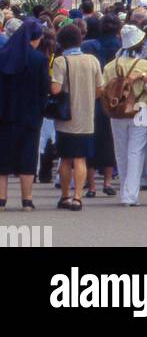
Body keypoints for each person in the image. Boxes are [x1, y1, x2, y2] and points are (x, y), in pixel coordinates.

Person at [50, 21, 104, 212]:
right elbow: (100, 90)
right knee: (81, 158)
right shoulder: (92, 60)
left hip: (66, 118)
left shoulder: (60, 61)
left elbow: (55, 89)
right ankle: (78, 197)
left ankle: (65, 195)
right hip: (86, 117)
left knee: (65, 159)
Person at [101, 23, 147, 205]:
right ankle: (130, 194)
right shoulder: (144, 65)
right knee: (136, 152)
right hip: (140, 109)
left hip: (116, 112)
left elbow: (104, 90)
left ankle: (125, 188)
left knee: (121, 152)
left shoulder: (110, 66)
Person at [0, 16, 49, 211]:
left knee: (2, 158)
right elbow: (43, 89)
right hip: (30, 115)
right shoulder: (39, 60)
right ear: (34, 38)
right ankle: (27, 199)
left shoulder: (2, 56)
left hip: (4, 115)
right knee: (28, 157)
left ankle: (1, 199)